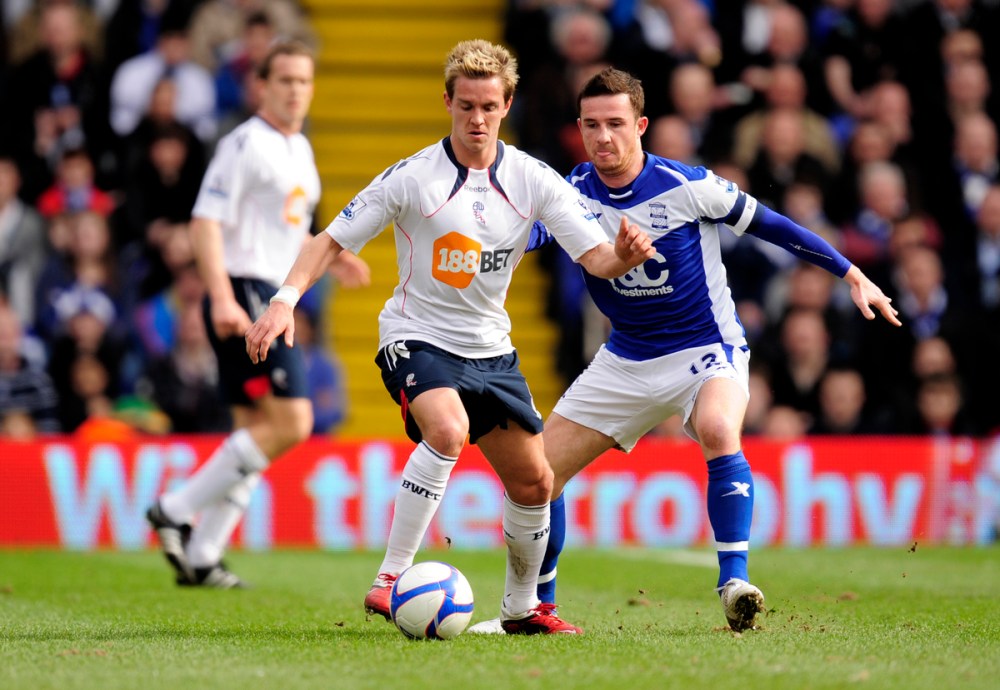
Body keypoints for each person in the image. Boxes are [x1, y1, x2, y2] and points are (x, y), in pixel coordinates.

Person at [466, 67, 901, 634]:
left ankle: (734, 582)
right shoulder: (569, 196)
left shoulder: (690, 185)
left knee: (720, 429)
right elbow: (518, 239)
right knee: (540, 476)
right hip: (625, 358)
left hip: (706, 348)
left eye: (616, 124)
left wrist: (849, 272)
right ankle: (535, 609)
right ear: (578, 128)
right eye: (591, 125)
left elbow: (772, 225)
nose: (603, 137)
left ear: (641, 125)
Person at [244, 40, 654, 634]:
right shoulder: (413, 177)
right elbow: (328, 240)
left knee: (536, 481)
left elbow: (595, 258)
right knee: (448, 429)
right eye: (466, 106)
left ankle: (520, 609)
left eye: (489, 106)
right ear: (447, 102)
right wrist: (284, 302)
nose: (477, 119)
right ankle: (389, 580)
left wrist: (622, 256)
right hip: (417, 336)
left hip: (492, 350)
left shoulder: (533, 179)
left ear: (507, 104)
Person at [145, 41, 369, 588]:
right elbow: (205, 221)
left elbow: (291, 228)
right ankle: (175, 508)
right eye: (285, 79)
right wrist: (221, 296)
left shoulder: (300, 150)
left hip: (272, 289)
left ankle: (202, 553)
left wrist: (335, 264)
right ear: (262, 86)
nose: (296, 89)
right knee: (294, 422)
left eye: (304, 80)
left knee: (254, 429)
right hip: (247, 290)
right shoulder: (244, 144)